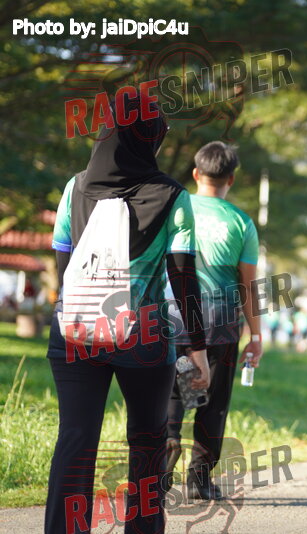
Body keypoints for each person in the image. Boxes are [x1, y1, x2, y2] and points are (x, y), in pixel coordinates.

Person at [46, 94, 210, 534]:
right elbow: (183, 278)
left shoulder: (75, 187)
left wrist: (76, 310)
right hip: (144, 333)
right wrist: (197, 348)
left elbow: (64, 261)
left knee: (76, 439)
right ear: (151, 137)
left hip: (75, 331)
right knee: (147, 442)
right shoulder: (172, 196)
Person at [166, 141, 262, 500]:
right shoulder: (241, 222)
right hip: (221, 323)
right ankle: (199, 479)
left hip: (173, 314)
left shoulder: (174, 208)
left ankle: (165, 451)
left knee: (173, 391)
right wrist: (256, 336)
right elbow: (248, 286)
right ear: (231, 179)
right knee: (213, 401)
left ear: (195, 173)